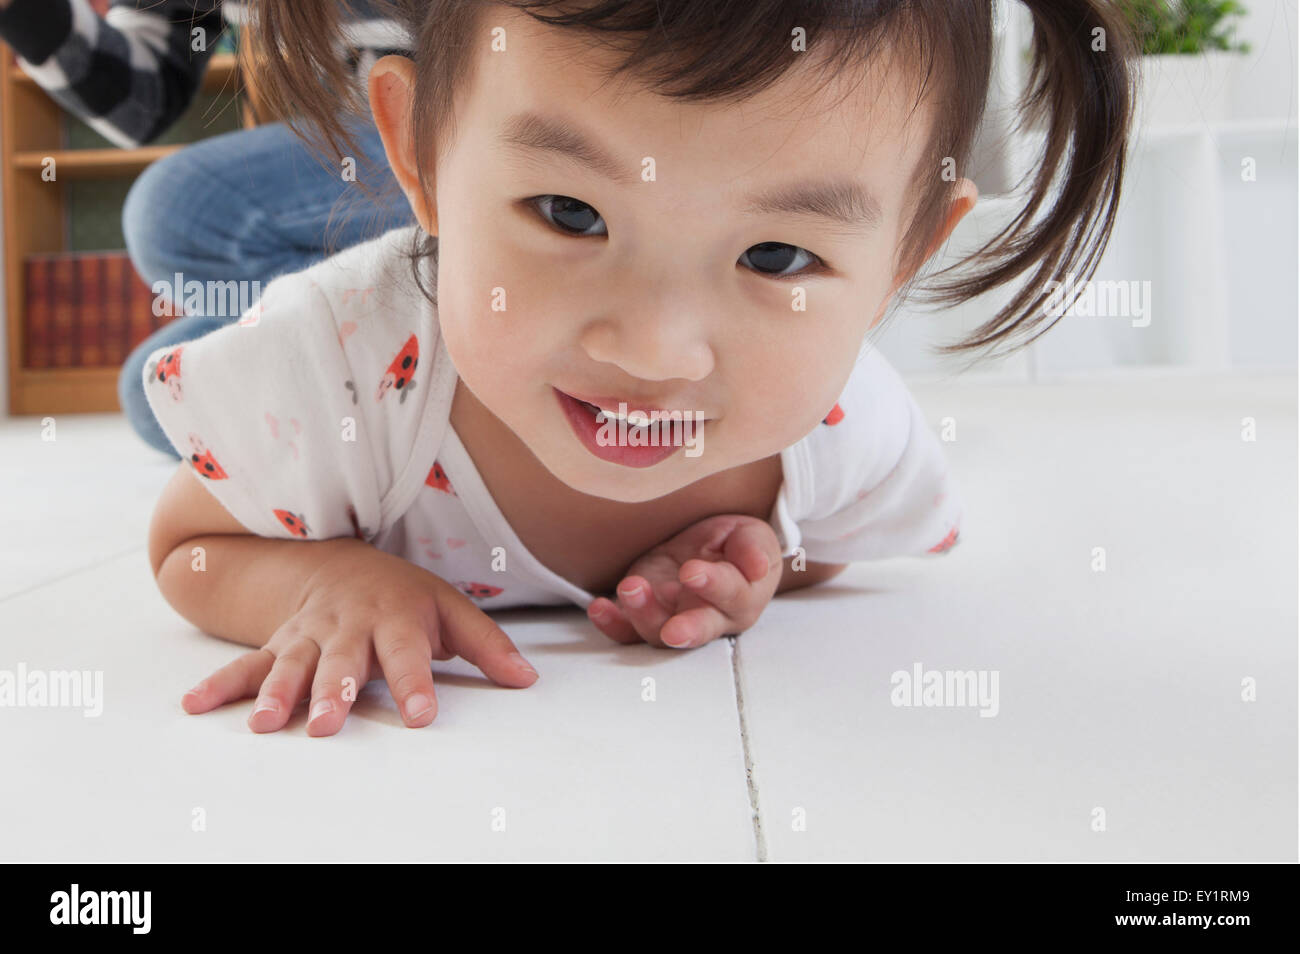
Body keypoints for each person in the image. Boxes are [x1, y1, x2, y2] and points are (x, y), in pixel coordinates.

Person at [143, 0, 1136, 736]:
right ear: (419, 152)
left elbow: (828, 541)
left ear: (903, 260)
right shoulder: (340, 373)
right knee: (227, 392)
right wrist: (324, 578)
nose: (654, 353)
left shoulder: (846, 430)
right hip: (340, 361)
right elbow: (189, 549)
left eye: (778, 258)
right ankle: (179, 378)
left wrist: (756, 564)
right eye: (570, 214)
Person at [0, 0, 415, 454]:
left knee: (175, 212)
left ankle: (420, 362)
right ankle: (424, 356)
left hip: (452, 118)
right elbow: (141, 101)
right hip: (373, 140)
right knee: (158, 395)